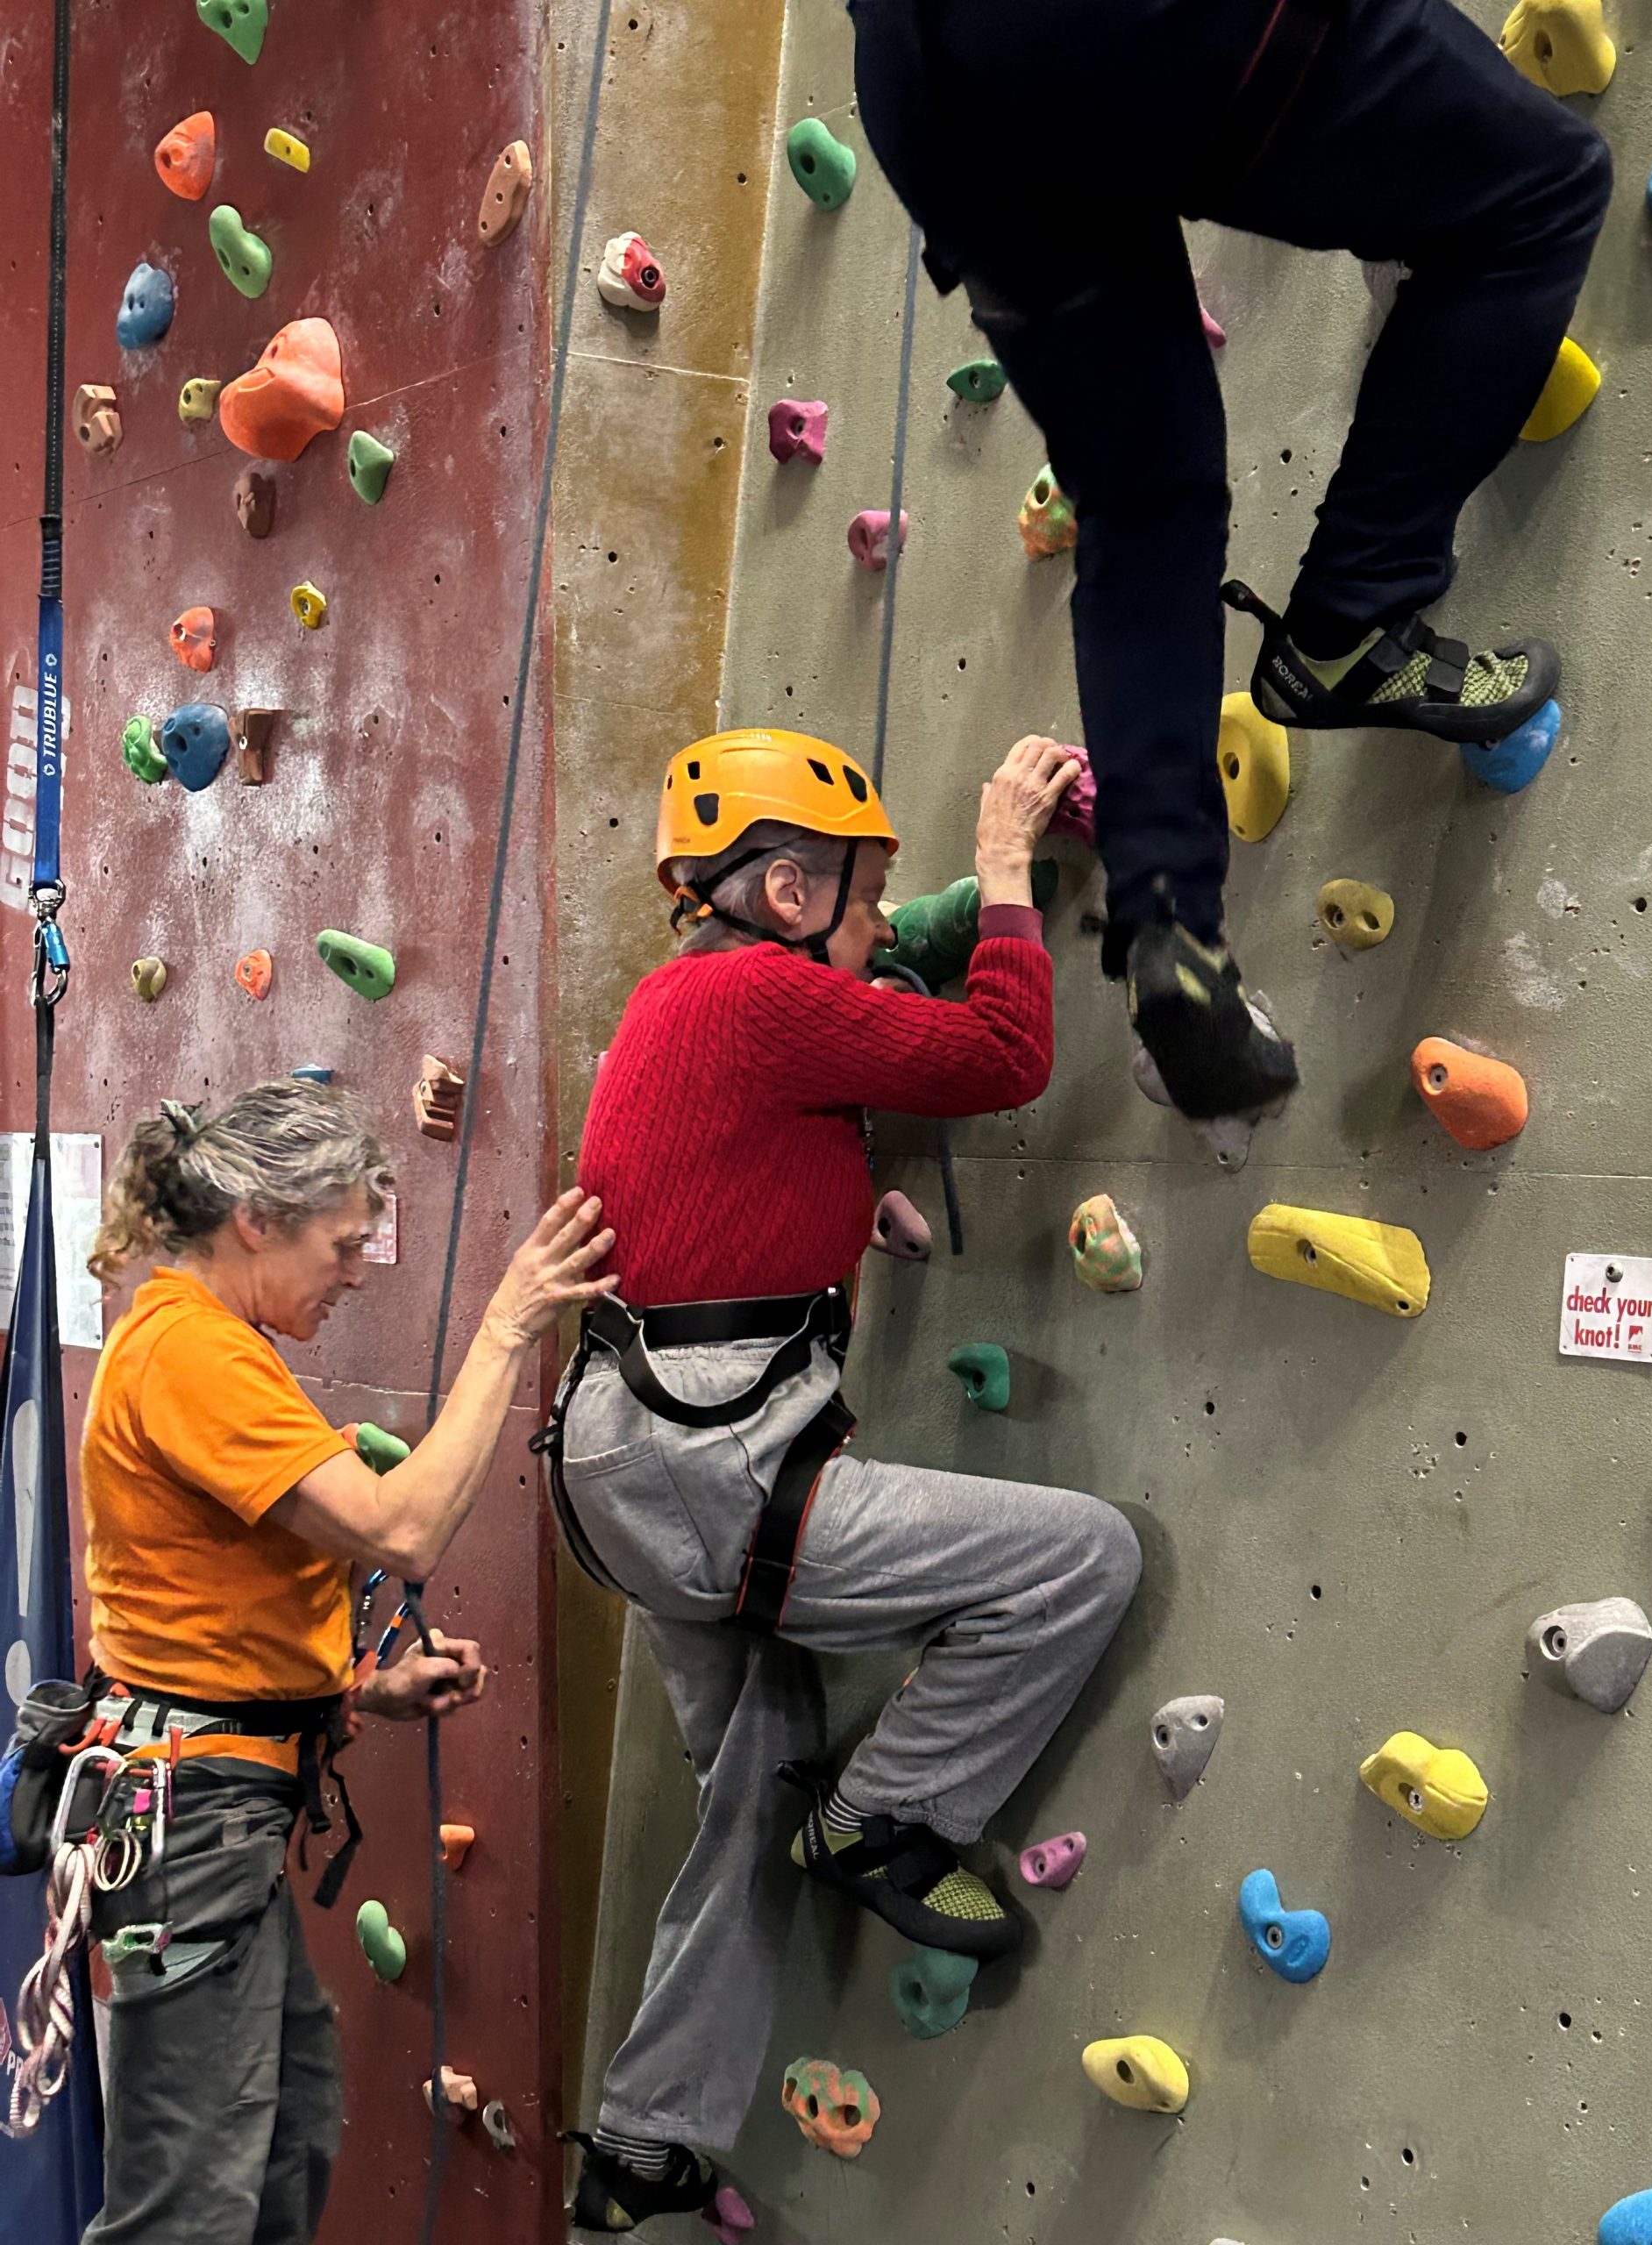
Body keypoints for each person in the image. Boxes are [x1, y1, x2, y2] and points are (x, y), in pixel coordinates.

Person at [546, 728, 1143, 2232]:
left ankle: (643, 2140)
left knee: (750, 1795)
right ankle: (890, 1817)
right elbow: (1001, 1057)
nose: (879, 929)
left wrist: (919, 943)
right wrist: (1009, 862)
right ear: (792, 888)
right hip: (713, 1466)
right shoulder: (754, 994)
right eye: (864, 901)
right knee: (1080, 1558)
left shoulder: (696, 997)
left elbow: (860, 1027)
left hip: (633, 1457)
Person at [848, 0, 1612, 1121]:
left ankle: (1172, 920)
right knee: (1537, 191)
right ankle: (1358, 613)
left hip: (927, 94)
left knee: (1140, 494)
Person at [73, 1079, 616, 2245]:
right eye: (345, 1240)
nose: (360, 1268)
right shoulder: (186, 1352)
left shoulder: (217, 1344)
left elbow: (199, 1616)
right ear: (256, 1221)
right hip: (192, 1821)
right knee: (190, 2204)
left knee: (285, 2147)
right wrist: (510, 1326)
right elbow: (398, 1526)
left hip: (216, 1809)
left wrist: (362, 1689)